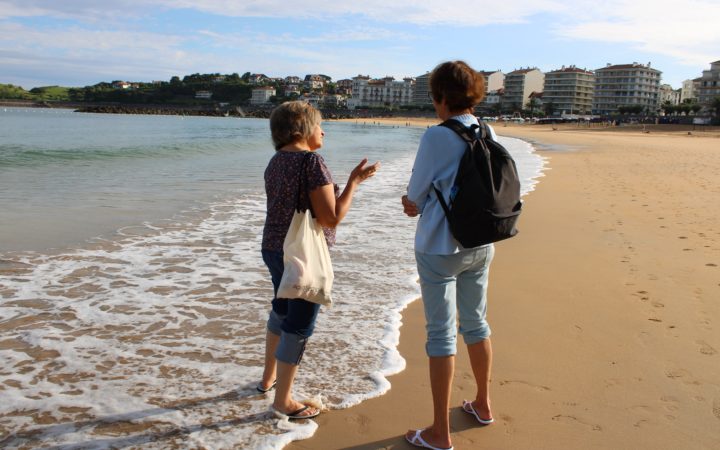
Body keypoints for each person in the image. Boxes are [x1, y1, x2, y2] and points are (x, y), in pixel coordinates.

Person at [259, 101, 379, 420]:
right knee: (299, 323)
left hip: (273, 246)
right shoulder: (312, 161)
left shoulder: (276, 161)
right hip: (301, 253)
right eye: (320, 124)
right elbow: (331, 218)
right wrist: (353, 183)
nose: (323, 131)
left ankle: (267, 379)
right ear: (303, 128)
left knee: (281, 310)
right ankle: (283, 401)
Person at [401, 61, 499, 450]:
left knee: (441, 335)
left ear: (441, 97)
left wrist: (412, 204)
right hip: (481, 242)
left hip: (440, 246)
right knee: (477, 324)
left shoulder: (436, 137)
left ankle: (440, 433)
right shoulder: (488, 129)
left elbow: (415, 194)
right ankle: (483, 404)